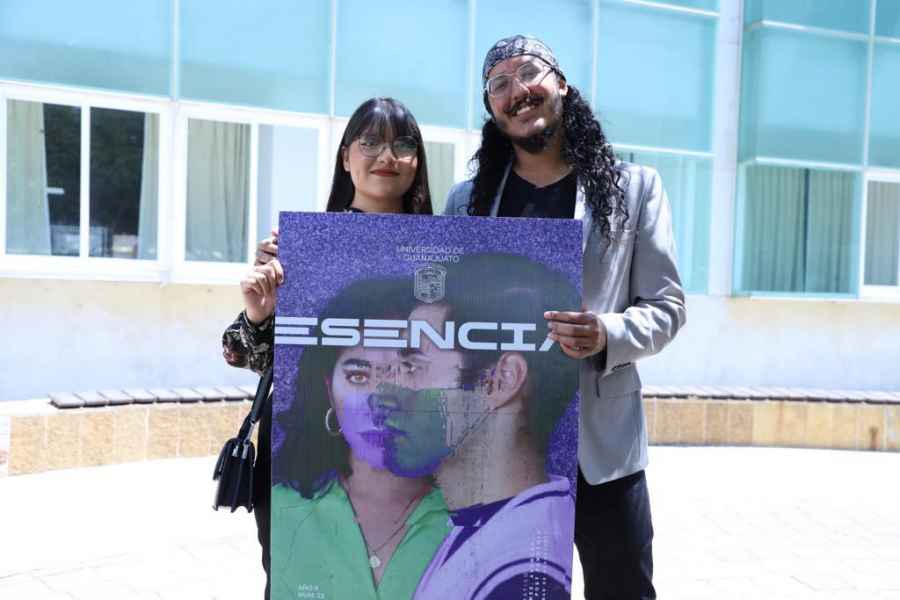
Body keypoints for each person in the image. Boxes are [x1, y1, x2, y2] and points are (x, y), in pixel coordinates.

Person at [442, 36, 687, 599]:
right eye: (499, 85)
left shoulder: (634, 189)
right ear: (492, 110)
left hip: (601, 448)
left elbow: (668, 307)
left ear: (561, 84)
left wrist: (606, 332)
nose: (517, 90)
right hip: (500, 445)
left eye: (529, 72)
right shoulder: (467, 203)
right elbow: (441, 313)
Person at [221, 97, 434, 599]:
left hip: (414, 467)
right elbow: (240, 352)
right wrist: (260, 312)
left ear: (417, 161)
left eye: (402, 144)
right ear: (345, 157)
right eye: (370, 142)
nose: (387, 155)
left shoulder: (452, 250)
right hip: (304, 459)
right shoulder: (304, 246)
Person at [373, 253, 581, 599]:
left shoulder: (518, 573)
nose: (385, 392)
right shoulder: (485, 529)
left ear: (501, 380)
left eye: (412, 366)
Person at [269, 277, 450, 600]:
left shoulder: (481, 519)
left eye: (408, 371)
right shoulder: (284, 505)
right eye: (358, 376)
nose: (381, 401)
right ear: (329, 390)